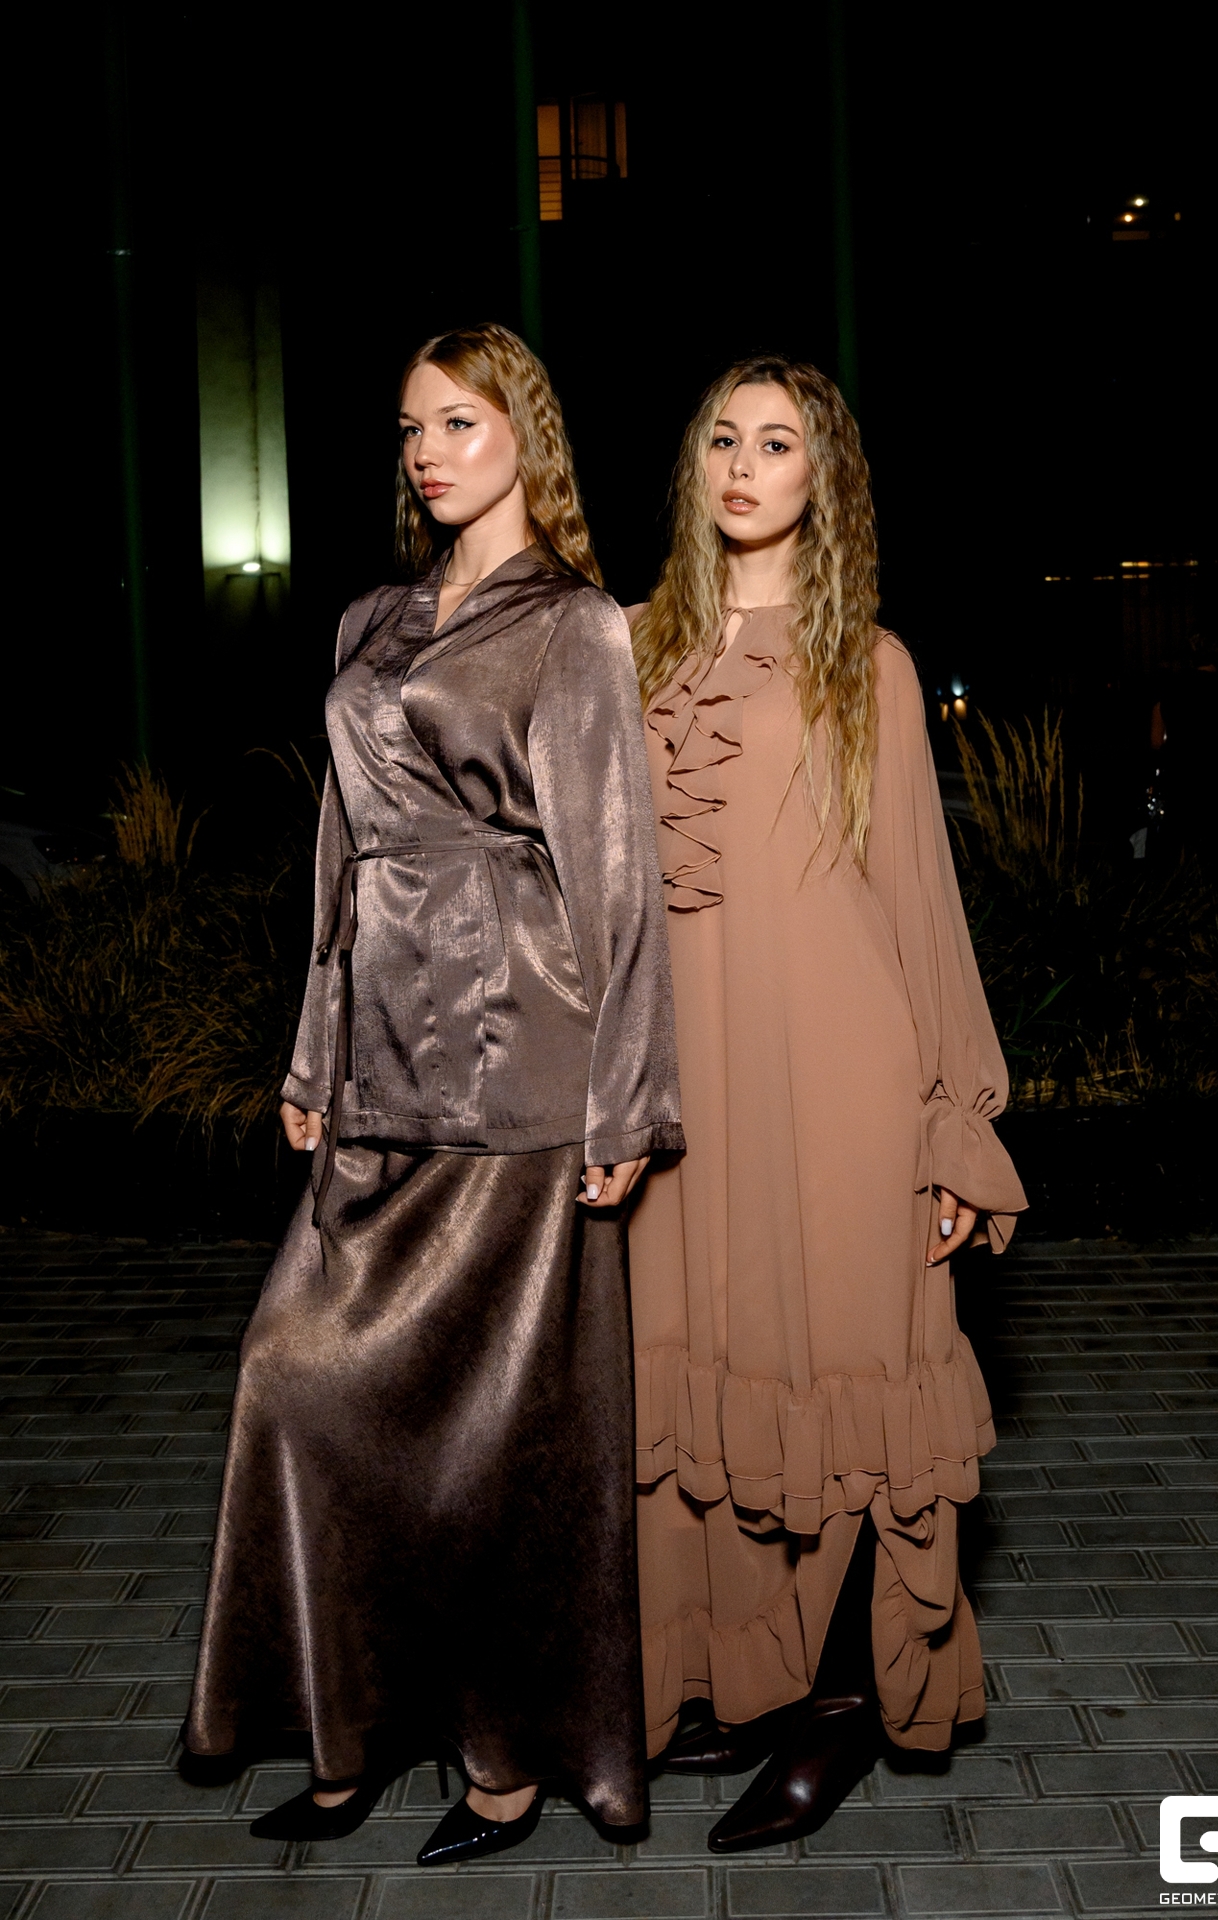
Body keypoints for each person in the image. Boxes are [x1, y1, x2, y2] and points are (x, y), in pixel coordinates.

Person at [182, 323, 683, 1864]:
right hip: (377, 1060)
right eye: (410, 427)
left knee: (497, 1445)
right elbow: (335, 856)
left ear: (525, 433)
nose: (425, 451)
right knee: (295, 1379)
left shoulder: (574, 624)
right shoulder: (370, 620)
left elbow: (618, 875)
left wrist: (627, 1101)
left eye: (458, 422)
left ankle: (502, 1764)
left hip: (521, 1061)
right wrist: (310, 1050)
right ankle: (345, 1734)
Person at [625, 355, 1027, 1852]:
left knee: (853, 1390)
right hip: (687, 1095)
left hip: (841, 1082)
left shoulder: (871, 663)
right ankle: (737, 1684)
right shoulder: (633, 647)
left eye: (776, 443)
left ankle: (849, 1704)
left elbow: (915, 895)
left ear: (823, 477)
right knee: (709, 1388)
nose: (743, 465)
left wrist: (950, 1121)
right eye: (722, 439)